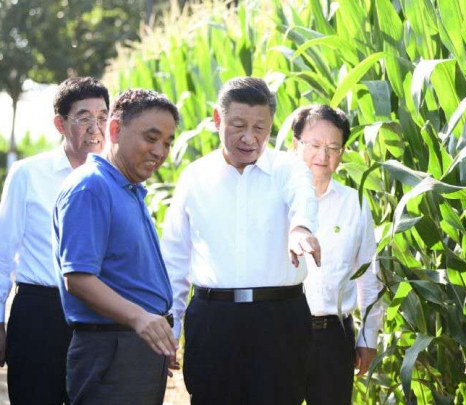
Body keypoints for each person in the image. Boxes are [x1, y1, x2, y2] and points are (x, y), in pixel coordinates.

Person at [161, 76, 321, 405]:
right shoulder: (195, 177)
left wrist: (301, 229)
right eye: (238, 126)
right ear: (217, 119)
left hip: (280, 319)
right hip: (213, 319)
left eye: (260, 128)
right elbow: (174, 260)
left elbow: (303, 199)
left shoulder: (289, 169)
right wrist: (171, 331)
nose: (249, 138)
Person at [53, 88, 179, 405]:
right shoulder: (91, 186)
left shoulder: (127, 188)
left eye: (167, 142)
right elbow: (78, 278)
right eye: (151, 138)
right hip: (111, 347)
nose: (160, 151)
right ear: (114, 129)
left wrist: (154, 333)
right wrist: (140, 319)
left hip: (134, 345)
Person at [0, 76, 109, 405]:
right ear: (60, 124)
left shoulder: (115, 179)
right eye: (84, 118)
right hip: (39, 314)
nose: (95, 128)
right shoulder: (28, 174)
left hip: (99, 317)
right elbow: (3, 254)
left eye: (102, 117)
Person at [291, 105, 384, 405]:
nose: (323, 155)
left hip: (333, 336)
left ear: (342, 152)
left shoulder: (355, 203)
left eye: (333, 147)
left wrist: (368, 337)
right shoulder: (276, 199)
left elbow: (369, 274)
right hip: (280, 332)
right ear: (295, 144)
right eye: (314, 145)